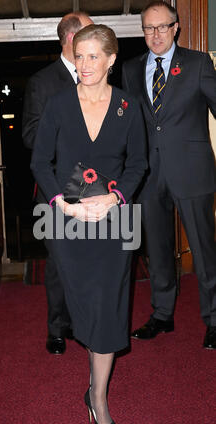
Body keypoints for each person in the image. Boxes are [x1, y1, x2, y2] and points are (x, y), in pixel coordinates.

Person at [31, 24, 147, 424]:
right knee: (82, 304)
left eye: (94, 56)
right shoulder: (60, 105)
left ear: (112, 59)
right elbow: (40, 162)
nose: (85, 64)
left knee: (109, 307)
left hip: (115, 222)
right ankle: (92, 377)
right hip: (67, 221)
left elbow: (138, 164)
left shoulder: (128, 107)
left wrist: (115, 199)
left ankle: (98, 397)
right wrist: (62, 204)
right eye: (79, 56)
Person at [122, 1, 216, 349]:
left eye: (163, 26)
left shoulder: (198, 63)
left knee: (204, 250)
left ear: (176, 28)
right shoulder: (131, 70)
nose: (156, 34)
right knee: (158, 251)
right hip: (149, 175)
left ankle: (215, 318)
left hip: (193, 172)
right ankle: (162, 314)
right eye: (149, 28)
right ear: (143, 31)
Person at [22, 12, 93, 355]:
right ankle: (57, 328)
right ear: (71, 39)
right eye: (89, 33)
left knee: (89, 260)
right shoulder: (42, 81)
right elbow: (31, 135)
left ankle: (85, 323)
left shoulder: (98, 77)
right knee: (58, 263)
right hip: (56, 189)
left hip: (94, 189)